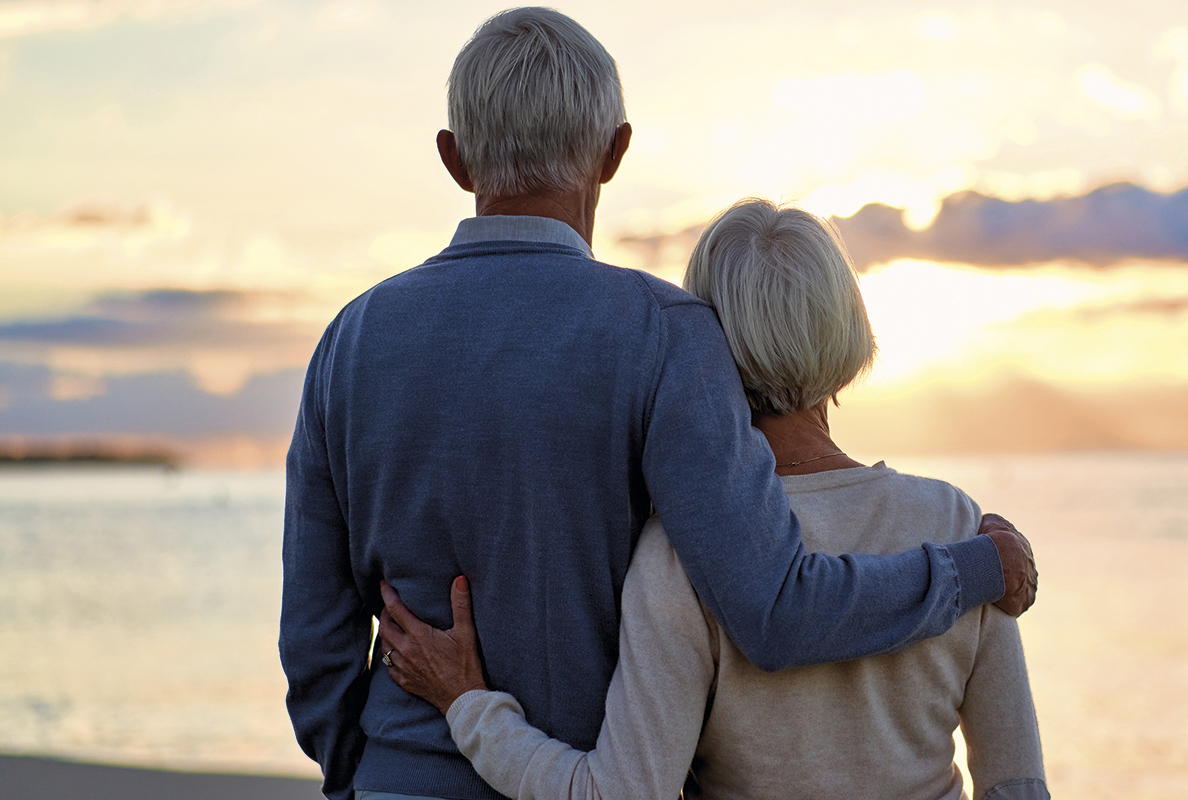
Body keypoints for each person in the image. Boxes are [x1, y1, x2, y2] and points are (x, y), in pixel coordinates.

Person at [278, 9, 1037, 800]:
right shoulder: (663, 333)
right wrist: (970, 569)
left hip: (399, 778)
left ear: (453, 157)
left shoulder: (350, 341)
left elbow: (314, 641)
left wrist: (356, 774)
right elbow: (772, 608)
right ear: (614, 152)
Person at [378, 199, 1049, 800]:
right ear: (846, 325)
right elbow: (1015, 783)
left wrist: (468, 705)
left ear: (706, 346)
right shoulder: (962, 528)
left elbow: (619, 794)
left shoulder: (683, 551)